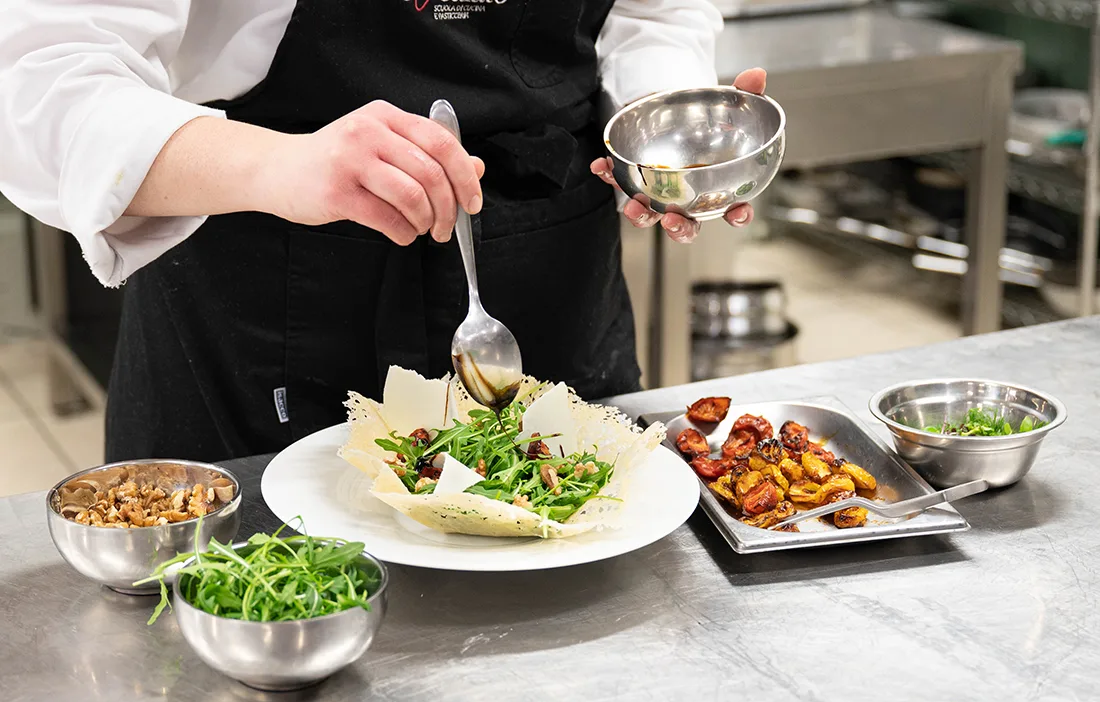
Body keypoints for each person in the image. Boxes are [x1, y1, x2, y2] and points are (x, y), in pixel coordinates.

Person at [0, 1, 766, 463]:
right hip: (266, 304)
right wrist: (281, 166)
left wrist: (659, 122)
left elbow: (651, 15)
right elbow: (38, 82)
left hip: (549, 264)